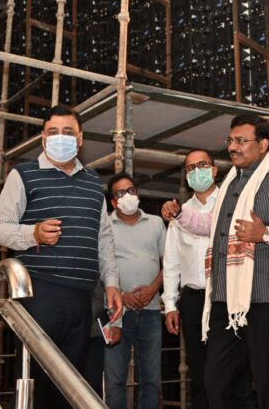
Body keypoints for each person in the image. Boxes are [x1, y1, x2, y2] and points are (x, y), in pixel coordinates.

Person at [161, 114, 269, 409]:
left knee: (267, 381)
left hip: (266, 297)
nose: (233, 147)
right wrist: (180, 214)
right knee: (215, 380)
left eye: (241, 141)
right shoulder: (231, 181)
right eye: (230, 140)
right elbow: (212, 225)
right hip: (224, 298)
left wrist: (265, 233)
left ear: (263, 144)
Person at [0, 106, 122, 408]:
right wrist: (33, 233)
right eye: (53, 132)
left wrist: (112, 282)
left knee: (71, 384)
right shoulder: (23, 175)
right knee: (35, 381)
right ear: (43, 138)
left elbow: (103, 237)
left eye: (68, 132)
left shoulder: (93, 182)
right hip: (39, 293)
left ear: (81, 138)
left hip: (83, 297)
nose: (60, 137)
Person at [162, 150, 219, 409]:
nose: (197, 171)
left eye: (202, 165)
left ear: (214, 170)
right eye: (191, 168)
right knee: (198, 371)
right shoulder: (180, 213)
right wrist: (170, 305)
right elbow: (171, 262)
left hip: (224, 298)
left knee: (229, 371)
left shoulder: (230, 203)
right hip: (193, 300)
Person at [104, 173, 165, 409]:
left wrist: (152, 289)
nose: (127, 196)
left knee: (151, 379)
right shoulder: (104, 226)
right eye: (120, 193)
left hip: (151, 310)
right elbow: (100, 268)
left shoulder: (156, 223)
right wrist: (122, 295)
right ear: (113, 201)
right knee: (114, 380)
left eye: (131, 190)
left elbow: (170, 263)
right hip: (115, 313)